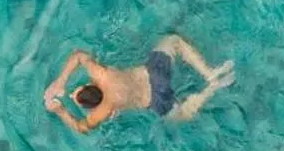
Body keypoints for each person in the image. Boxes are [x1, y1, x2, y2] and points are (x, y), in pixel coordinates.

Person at [44, 34, 234, 134]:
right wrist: (60, 81)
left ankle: (211, 90)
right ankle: (209, 73)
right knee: (173, 41)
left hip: (156, 101)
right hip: (153, 73)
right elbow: (78, 55)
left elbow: (82, 127)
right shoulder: (102, 75)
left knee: (181, 114)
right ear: (86, 86)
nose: (71, 94)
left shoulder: (104, 109)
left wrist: (60, 111)